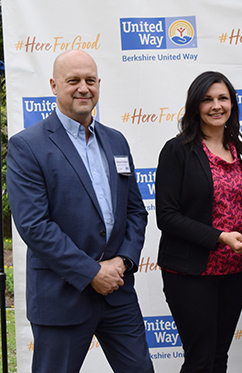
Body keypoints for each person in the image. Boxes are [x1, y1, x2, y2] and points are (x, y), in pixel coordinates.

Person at [6, 50, 154, 372]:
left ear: (99, 84)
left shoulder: (116, 141)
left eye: (90, 80)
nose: (83, 88)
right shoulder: (27, 146)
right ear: (54, 85)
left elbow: (135, 212)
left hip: (117, 292)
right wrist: (91, 273)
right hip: (63, 295)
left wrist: (123, 261)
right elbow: (34, 225)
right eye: (73, 81)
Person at [155, 71, 242, 373]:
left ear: (232, 104)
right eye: (207, 99)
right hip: (192, 272)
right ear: (195, 106)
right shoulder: (177, 150)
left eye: (223, 98)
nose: (216, 105)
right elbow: (166, 216)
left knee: (219, 356)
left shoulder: (239, 151)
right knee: (201, 359)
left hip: (235, 272)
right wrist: (221, 237)